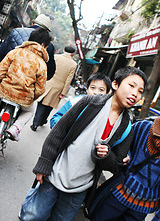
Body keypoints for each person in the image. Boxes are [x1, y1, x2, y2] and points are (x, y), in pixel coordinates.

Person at [19, 66, 147, 221]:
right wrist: (44, 164)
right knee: (34, 216)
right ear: (115, 84)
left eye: (140, 91)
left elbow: (116, 165)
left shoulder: (127, 126)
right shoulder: (89, 103)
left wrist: (106, 155)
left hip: (81, 187)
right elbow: (58, 132)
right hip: (55, 173)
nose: (135, 93)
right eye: (131, 86)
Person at [91, 116, 160, 221]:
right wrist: (126, 155)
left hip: (142, 207)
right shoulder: (143, 128)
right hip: (118, 193)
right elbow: (122, 145)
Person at [0, 27, 52, 141]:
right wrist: (32, 97)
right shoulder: (41, 64)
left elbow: (1, 71)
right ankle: (15, 128)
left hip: (4, 91)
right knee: (29, 111)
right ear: (43, 45)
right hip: (23, 98)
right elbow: (40, 89)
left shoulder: (15, 52)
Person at [30, 46, 77, 131]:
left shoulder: (55, 57)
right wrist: (64, 92)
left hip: (48, 82)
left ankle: (35, 123)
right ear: (72, 53)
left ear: (64, 50)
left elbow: (46, 69)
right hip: (59, 87)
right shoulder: (73, 64)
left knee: (41, 103)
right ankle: (42, 120)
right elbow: (69, 79)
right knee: (49, 106)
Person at [0, 14, 56, 81]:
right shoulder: (49, 46)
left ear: (32, 23)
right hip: (26, 87)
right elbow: (49, 73)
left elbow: (1, 52)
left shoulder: (16, 31)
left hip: (6, 78)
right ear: (47, 31)